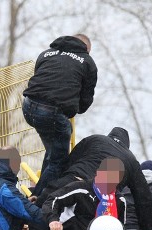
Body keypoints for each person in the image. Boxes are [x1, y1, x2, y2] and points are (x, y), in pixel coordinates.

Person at [29, 127, 152, 230]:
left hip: (73, 180)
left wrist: (42, 192)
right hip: (102, 197)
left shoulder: (95, 139)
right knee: (88, 228)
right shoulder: (131, 160)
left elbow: (67, 161)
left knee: (39, 208)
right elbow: (144, 199)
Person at [22, 34, 97, 197]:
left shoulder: (45, 53)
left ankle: (38, 191)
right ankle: (41, 198)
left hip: (28, 107)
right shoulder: (87, 61)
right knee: (59, 160)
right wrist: (74, 108)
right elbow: (85, 99)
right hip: (51, 113)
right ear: (86, 48)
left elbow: (40, 80)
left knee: (52, 152)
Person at [41, 157, 127, 230]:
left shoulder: (120, 201)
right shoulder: (80, 188)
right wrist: (53, 220)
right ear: (99, 173)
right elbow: (52, 200)